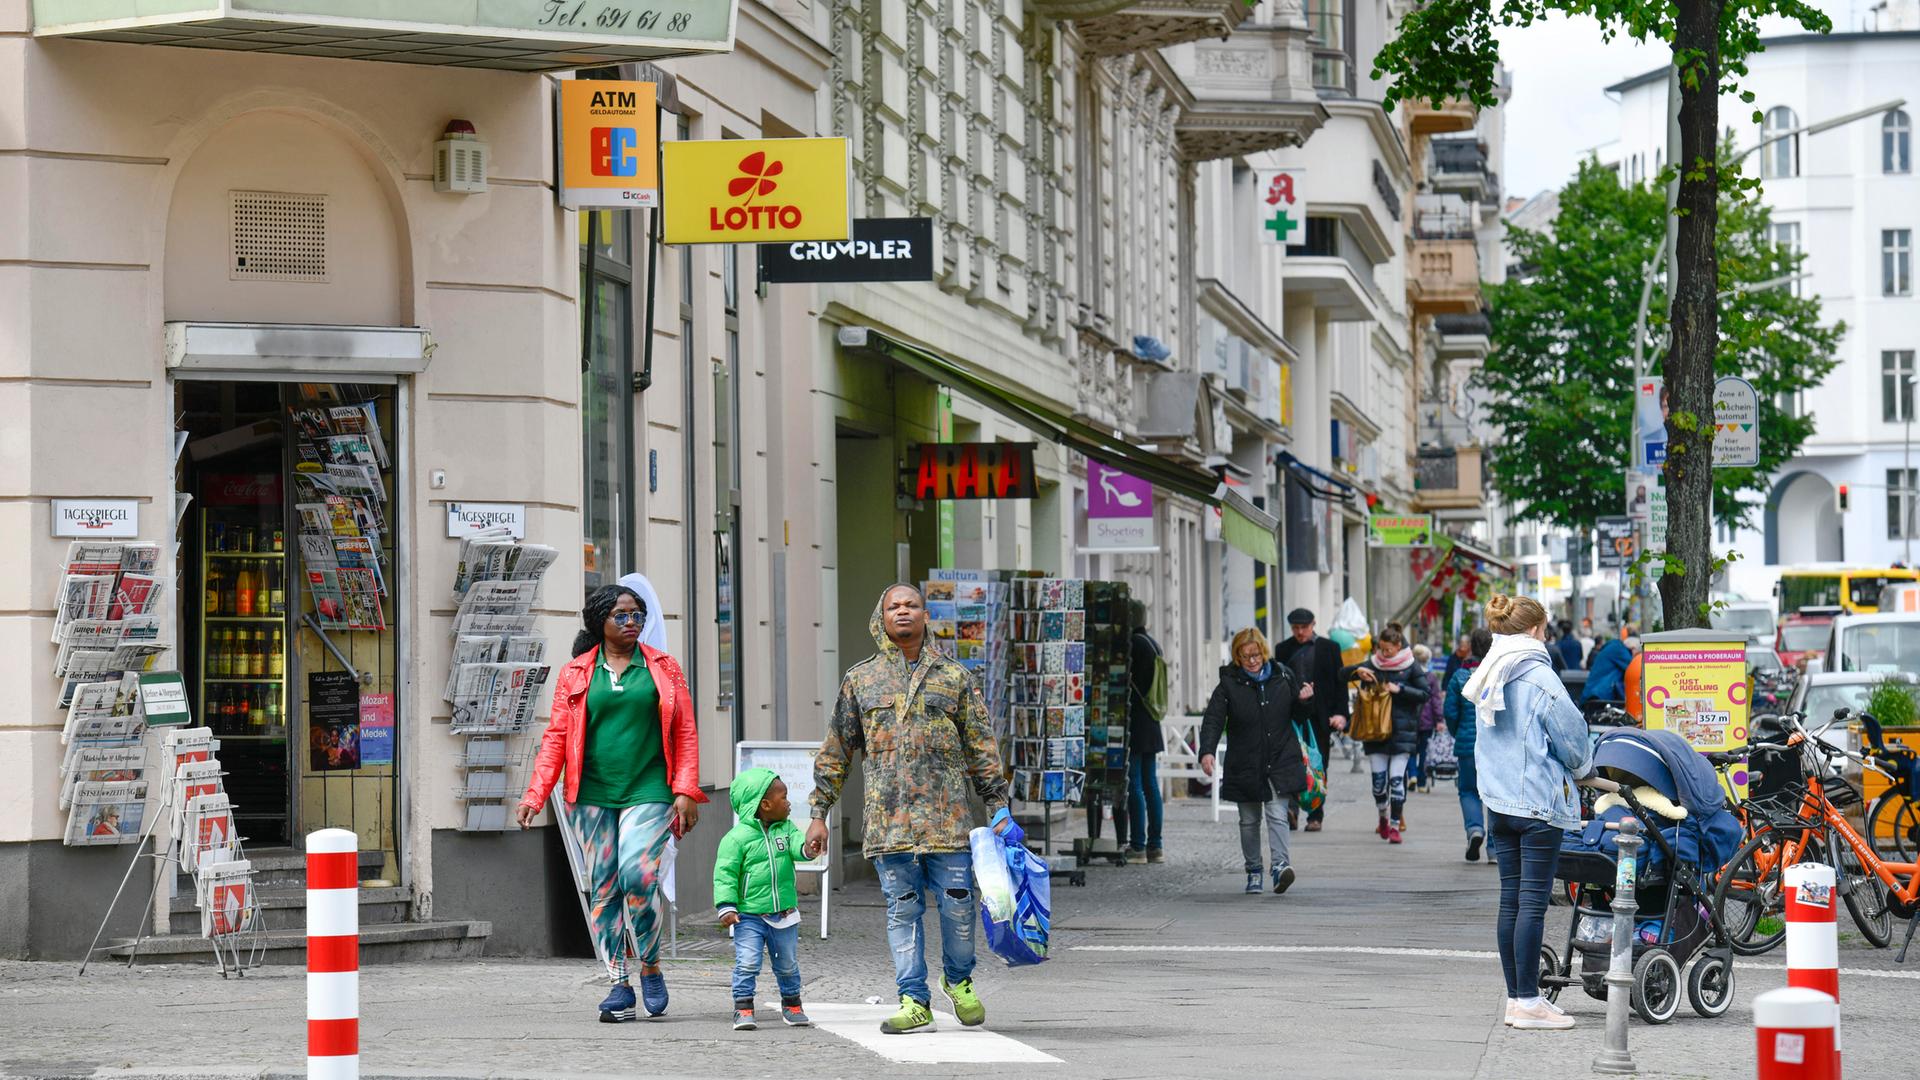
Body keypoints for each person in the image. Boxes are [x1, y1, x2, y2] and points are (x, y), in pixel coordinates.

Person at [807, 584, 1009, 1035]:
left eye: (911, 605)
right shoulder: (861, 679)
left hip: (948, 822)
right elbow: (836, 749)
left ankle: (957, 981)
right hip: (889, 824)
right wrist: (819, 812)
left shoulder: (954, 677)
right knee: (903, 911)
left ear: (924, 614)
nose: (903, 611)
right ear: (881, 617)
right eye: (894, 606)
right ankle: (913, 999)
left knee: (959, 906)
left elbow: (981, 746)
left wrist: (997, 806)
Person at [518, 584, 706, 1023]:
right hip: (591, 794)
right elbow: (556, 739)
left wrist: (685, 789)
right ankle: (619, 984)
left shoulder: (663, 668)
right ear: (599, 621)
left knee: (637, 875)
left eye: (636, 615)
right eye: (620, 615)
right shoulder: (577, 673)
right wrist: (535, 793)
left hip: (649, 789)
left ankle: (651, 962)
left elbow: (685, 732)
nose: (630, 622)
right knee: (603, 888)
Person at [1463, 594, 1594, 1031]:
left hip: (1498, 801)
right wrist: (1582, 769)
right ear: (1537, 629)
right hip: (1537, 802)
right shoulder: (1539, 675)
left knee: (1512, 901)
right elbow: (1573, 739)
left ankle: (1518, 999)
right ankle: (1528, 1002)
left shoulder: (1489, 671)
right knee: (1533, 905)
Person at [1199, 627, 1306, 895]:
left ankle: (1281, 866)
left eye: (1256, 654)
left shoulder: (1282, 675)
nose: (1252, 661)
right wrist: (1207, 751)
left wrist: (1306, 700)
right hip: (1245, 760)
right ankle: (1254, 870)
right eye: (1245, 656)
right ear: (1237, 656)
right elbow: (1213, 719)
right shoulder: (1228, 684)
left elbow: (1300, 715)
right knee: (1248, 820)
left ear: (1263, 652)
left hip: (1279, 756)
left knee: (1277, 814)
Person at [714, 767, 811, 1031]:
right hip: (748, 916)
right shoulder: (735, 839)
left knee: (788, 963)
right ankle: (743, 1008)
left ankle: (792, 1005)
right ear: (765, 805)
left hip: (784, 914)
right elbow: (725, 874)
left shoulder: (787, 829)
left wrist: (809, 847)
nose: (789, 802)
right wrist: (726, 906)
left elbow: (799, 848)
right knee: (747, 962)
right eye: (784, 797)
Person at [1342, 626, 1429, 843]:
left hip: (1402, 731)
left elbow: (1425, 693)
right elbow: (1341, 674)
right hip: (1375, 730)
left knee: (1397, 780)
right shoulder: (1373, 663)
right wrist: (1357, 672)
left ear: (1398, 646)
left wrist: (1400, 689)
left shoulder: (1410, 665)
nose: (1384, 654)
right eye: (1381, 649)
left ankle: (1394, 826)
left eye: (1388, 650)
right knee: (1379, 784)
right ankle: (1382, 814)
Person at [1271, 608, 1347, 832]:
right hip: (1292, 716)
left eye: (1304, 627)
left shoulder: (1329, 648)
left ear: (1313, 625)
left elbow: (1340, 683)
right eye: (1295, 628)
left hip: (1321, 717)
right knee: (1291, 762)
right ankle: (1292, 810)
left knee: (1318, 765)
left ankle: (1315, 815)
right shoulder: (1283, 649)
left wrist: (1341, 714)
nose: (1300, 632)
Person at [1123, 599, 1166, 863]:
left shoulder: (1134, 645)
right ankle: (1155, 845)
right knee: (1151, 783)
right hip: (1151, 719)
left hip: (1137, 720)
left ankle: (1138, 845)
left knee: (1135, 783)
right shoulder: (1153, 643)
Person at [1443, 628, 1491, 861]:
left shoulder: (1459, 677)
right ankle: (1494, 849)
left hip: (1467, 744)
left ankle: (1474, 830)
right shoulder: (1499, 674)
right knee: (1496, 795)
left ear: (1471, 647)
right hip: (1496, 747)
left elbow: (1450, 712)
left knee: (1468, 790)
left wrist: (1458, 733)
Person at [1412, 644, 1447, 793]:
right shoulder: (1431, 677)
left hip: (1411, 718)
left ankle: (1412, 774)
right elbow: (1436, 700)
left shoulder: (1409, 674)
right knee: (1424, 751)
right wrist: (1439, 719)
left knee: (1410, 750)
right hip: (1427, 720)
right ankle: (1421, 782)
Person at [1582, 632, 1634, 704]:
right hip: (1600, 695)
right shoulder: (1619, 649)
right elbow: (1634, 669)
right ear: (1633, 648)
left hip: (1593, 694)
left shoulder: (1611, 647)